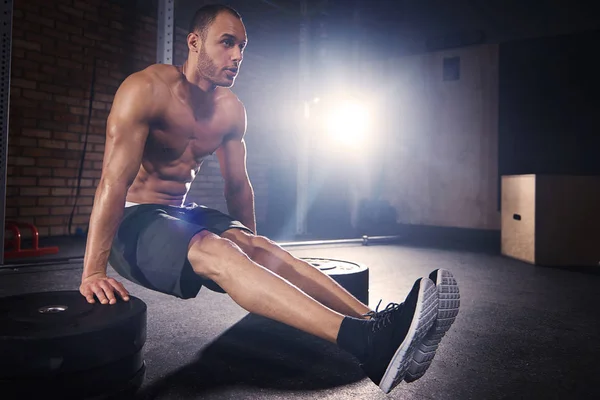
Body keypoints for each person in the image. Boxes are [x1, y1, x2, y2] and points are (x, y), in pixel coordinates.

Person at [79, 4, 460, 394]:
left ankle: (382, 325)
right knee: (216, 248)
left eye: (242, 46)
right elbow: (113, 181)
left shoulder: (231, 110)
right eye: (227, 43)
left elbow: (238, 187)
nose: (238, 56)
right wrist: (93, 270)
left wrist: (256, 259)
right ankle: (367, 344)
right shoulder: (146, 89)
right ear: (194, 43)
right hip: (132, 219)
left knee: (258, 247)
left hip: (178, 213)